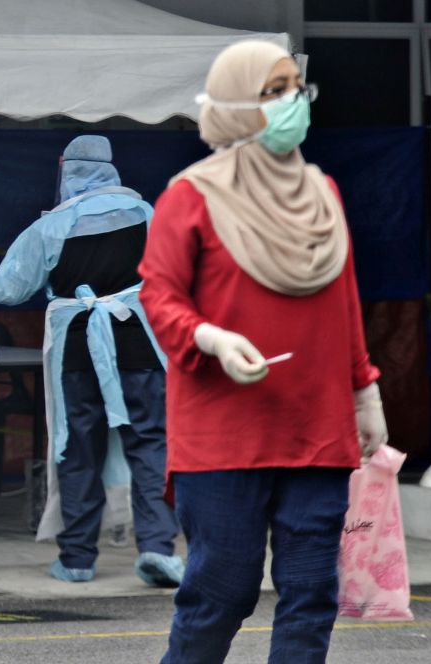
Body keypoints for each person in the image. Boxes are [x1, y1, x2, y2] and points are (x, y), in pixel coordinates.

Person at [137, 41, 387, 663]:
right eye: (272, 91)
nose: (290, 103)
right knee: (221, 592)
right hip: (223, 435)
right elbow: (159, 295)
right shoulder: (189, 195)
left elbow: (345, 304)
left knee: (310, 596)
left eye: (294, 88)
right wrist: (210, 338)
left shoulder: (322, 190)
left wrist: (365, 391)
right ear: (235, 103)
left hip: (317, 429)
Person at [0, 135, 183, 587]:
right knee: (151, 447)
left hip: (78, 352)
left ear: (66, 169)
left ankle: (78, 558)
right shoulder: (149, 216)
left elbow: (7, 288)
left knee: (78, 450)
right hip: (143, 348)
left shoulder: (50, 228)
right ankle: (158, 548)